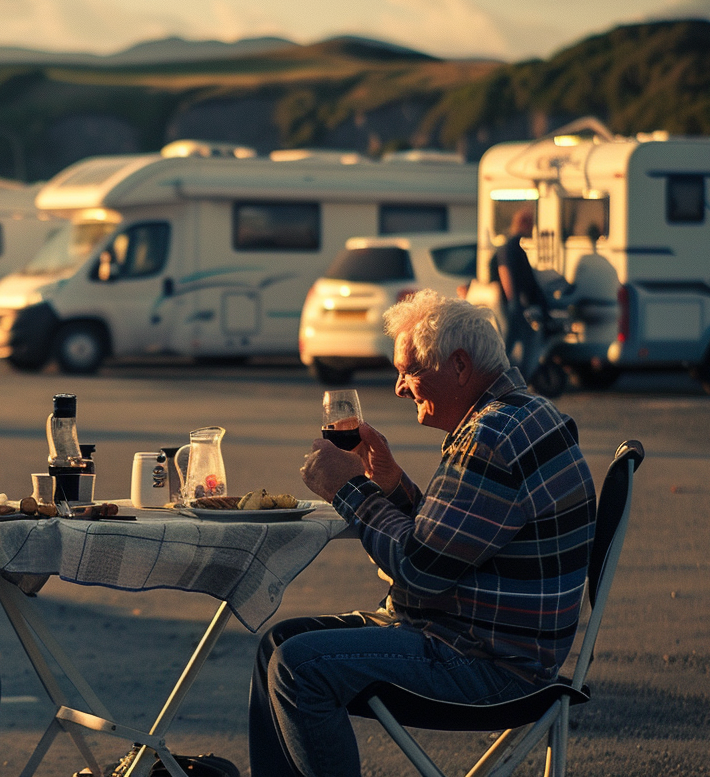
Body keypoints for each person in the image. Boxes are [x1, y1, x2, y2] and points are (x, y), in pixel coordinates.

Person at [249, 289, 595, 777]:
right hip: (488, 640)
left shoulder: (491, 438)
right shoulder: (525, 415)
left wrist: (347, 489)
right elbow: (454, 540)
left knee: (298, 667)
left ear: (458, 366)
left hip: (488, 664)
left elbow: (419, 569)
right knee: (279, 644)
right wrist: (391, 485)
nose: (398, 388)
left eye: (408, 370)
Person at [490, 208, 547, 376]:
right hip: (513, 303)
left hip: (514, 303)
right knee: (514, 339)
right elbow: (505, 271)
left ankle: (510, 374)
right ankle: (510, 375)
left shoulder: (514, 245)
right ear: (523, 224)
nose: (532, 228)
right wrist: (514, 300)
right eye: (531, 224)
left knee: (515, 339)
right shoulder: (511, 246)